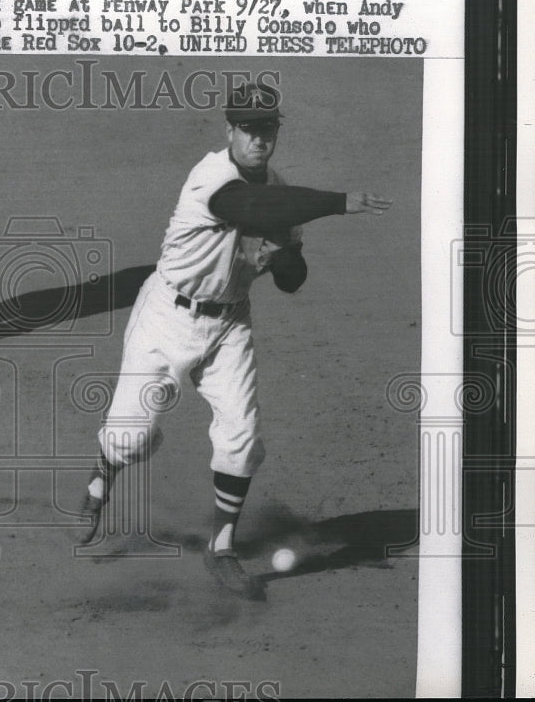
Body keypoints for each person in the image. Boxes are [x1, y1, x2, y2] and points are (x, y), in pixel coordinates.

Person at [73, 82, 393, 599]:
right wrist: (340, 202)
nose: (259, 140)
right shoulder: (210, 177)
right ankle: (103, 472)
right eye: (249, 129)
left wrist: (279, 258)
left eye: (267, 129)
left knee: (243, 441)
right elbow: (251, 206)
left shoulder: (281, 188)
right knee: (131, 439)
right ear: (231, 131)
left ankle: (222, 547)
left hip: (229, 324)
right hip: (167, 317)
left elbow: (293, 278)